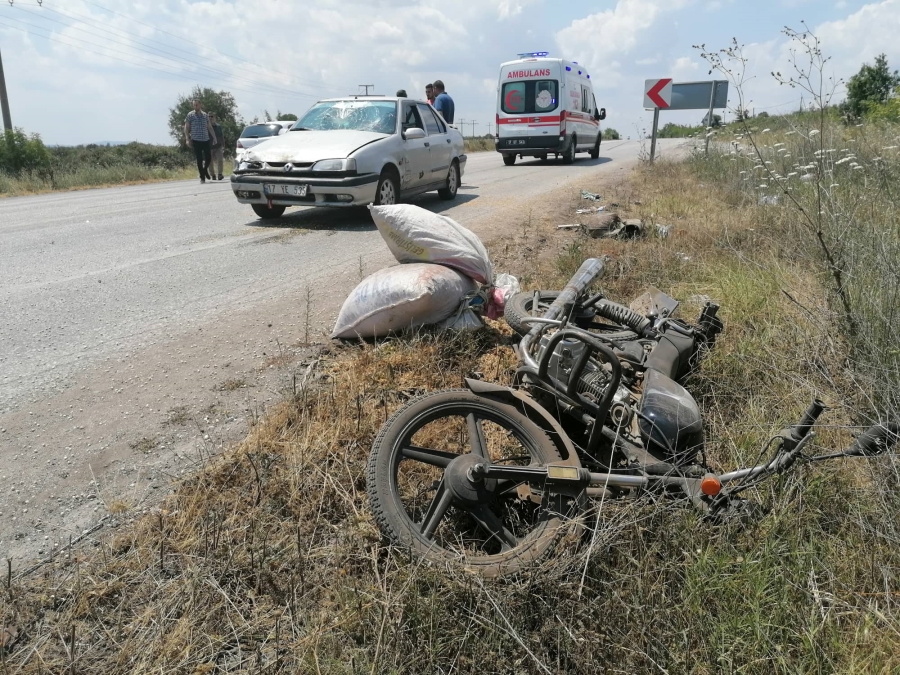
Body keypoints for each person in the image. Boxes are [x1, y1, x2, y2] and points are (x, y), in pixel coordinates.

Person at [183, 99, 216, 183]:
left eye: (197, 105)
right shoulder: (190, 115)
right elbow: (186, 127)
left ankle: (205, 170)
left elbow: (209, 127)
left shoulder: (205, 115)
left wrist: (214, 137)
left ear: (200, 105)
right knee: (199, 159)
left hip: (205, 139)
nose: (195, 106)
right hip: (196, 140)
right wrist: (187, 138)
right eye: (194, 105)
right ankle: (202, 177)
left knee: (208, 158)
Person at [208, 112, 225, 181]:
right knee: (210, 162)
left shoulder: (218, 126)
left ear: (214, 117)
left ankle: (220, 174)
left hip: (218, 146)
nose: (210, 118)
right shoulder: (206, 127)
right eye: (209, 116)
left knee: (220, 160)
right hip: (209, 147)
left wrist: (223, 144)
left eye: (211, 116)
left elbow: (221, 136)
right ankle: (213, 175)